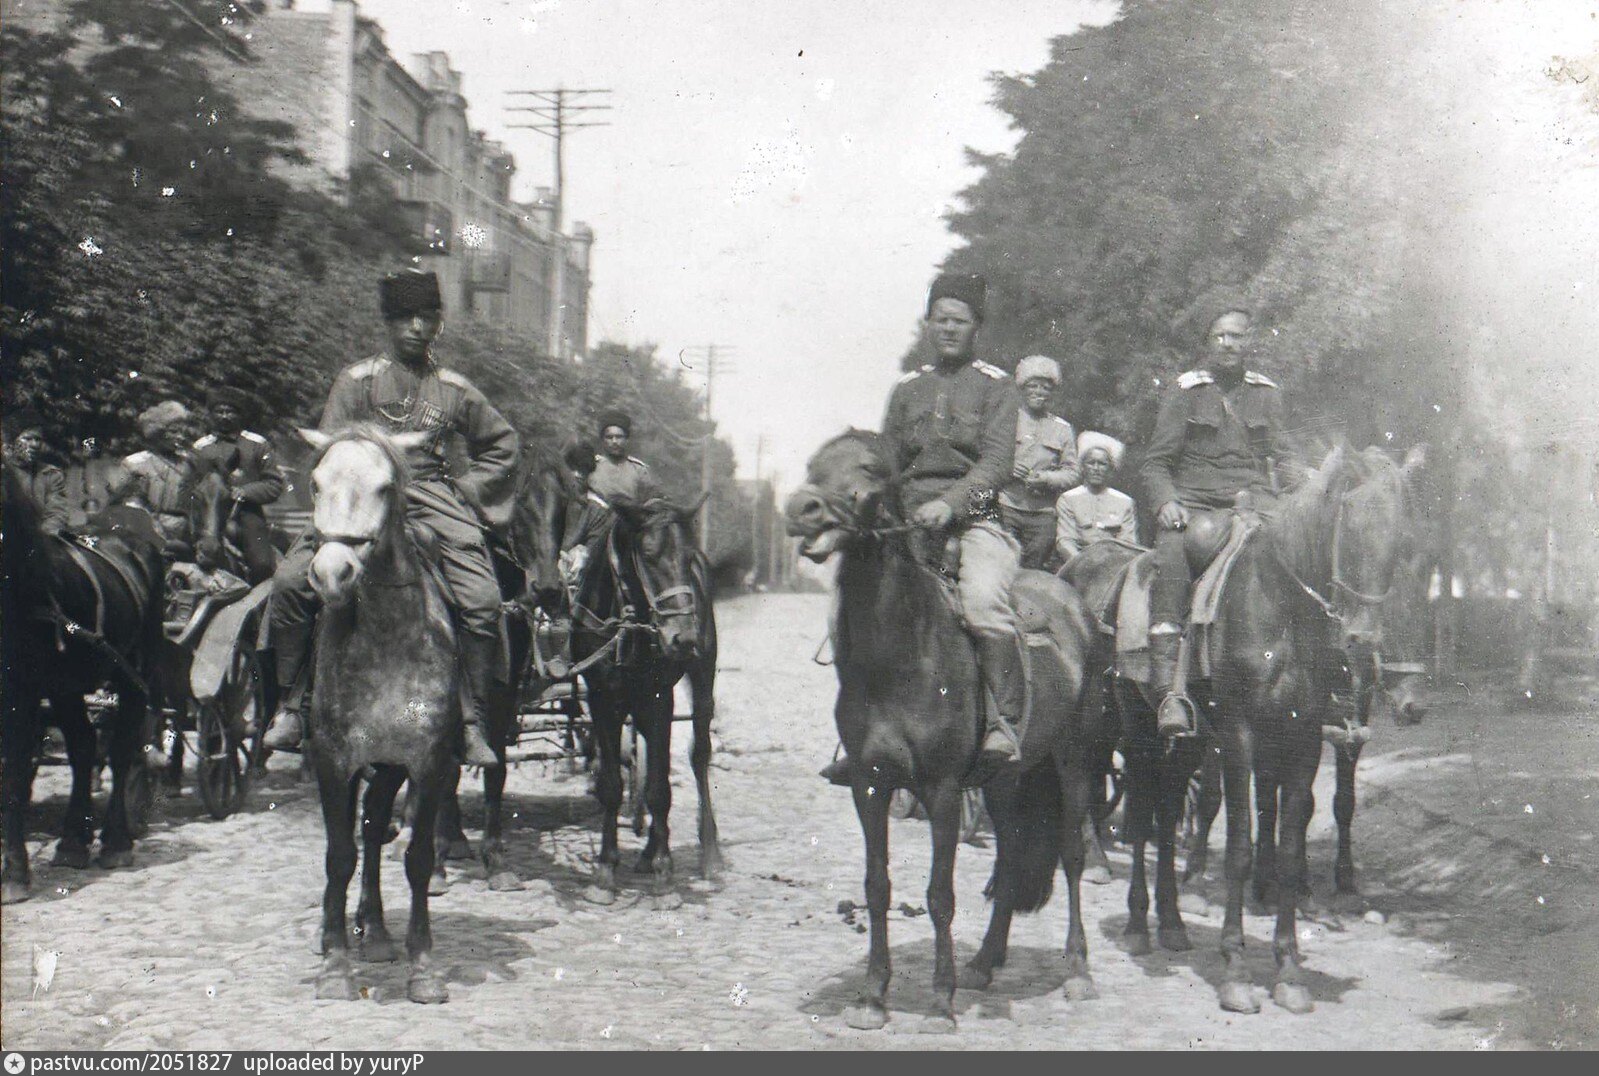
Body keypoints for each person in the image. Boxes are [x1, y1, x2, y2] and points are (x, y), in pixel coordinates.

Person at [261, 269, 520, 766]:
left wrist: (464, 491)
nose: (417, 328)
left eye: (427, 318)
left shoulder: (455, 389)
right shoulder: (356, 381)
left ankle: (471, 720)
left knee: (484, 602)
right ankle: (291, 706)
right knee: (291, 583)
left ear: (439, 325)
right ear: (388, 322)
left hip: (430, 498)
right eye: (405, 318)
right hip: (361, 503)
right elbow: (331, 450)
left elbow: (503, 446)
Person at [822, 271, 1025, 786]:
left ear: (976, 326)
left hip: (976, 522)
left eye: (960, 321)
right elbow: (888, 461)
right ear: (929, 324)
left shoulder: (998, 388)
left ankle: (1004, 720)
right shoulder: (907, 390)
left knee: (982, 605)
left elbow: (998, 465)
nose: (949, 329)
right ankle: (858, 733)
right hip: (907, 526)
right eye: (941, 320)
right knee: (850, 610)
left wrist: (952, 503)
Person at [1140, 301, 1299, 735]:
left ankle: (1330, 678)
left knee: (1309, 557)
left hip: (1256, 506)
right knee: (1171, 554)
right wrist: (1165, 502)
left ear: (1250, 342)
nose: (1229, 344)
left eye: (1237, 335)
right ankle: (1169, 688)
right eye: (1220, 336)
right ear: (1208, 342)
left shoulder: (1266, 393)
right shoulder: (1186, 391)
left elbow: (1283, 456)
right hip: (1196, 505)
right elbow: (1155, 462)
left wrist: (1303, 483)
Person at [191, 386, 284, 584]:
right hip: (207, 513)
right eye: (219, 411)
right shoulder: (200, 448)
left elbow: (274, 484)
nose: (224, 416)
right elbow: (190, 484)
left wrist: (243, 492)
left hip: (245, 514)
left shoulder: (258, 444)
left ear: (240, 415)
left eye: (230, 411)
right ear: (211, 415)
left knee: (262, 564)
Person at [998, 355, 1079, 570]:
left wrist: (1046, 478)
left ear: (1052, 393)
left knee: (1034, 571)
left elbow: (1072, 472)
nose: (1039, 392)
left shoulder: (1062, 428)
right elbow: (988, 456)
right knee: (1001, 567)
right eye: (1032, 386)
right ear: (1022, 389)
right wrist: (1008, 467)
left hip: (1043, 515)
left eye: (1045, 388)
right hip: (1006, 506)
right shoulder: (1005, 419)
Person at [104, 400, 197, 558]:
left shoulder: (190, 462)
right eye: (174, 432)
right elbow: (125, 502)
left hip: (186, 528)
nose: (180, 437)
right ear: (158, 433)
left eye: (183, 432)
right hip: (148, 528)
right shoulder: (136, 463)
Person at [1055, 431, 1138, 562]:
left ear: (1111, 468)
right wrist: (1084, 566)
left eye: (1102, 464)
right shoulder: (1068, 499)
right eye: (1091, 463)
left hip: (1112, 567)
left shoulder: (1124, 502)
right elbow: (1065, 542)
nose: (1096, 468)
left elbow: (1127, 544)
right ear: (1082, 467)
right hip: (1077, 566)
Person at [4, 407, 70, 537]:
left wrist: (46, 531)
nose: (34, 444)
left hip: (39, 541)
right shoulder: (4, 472)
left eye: (38, 439)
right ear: (11, 442)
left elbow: (57, 512)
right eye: (28, 438)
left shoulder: (50, 474)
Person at [588, 410, 658, 505]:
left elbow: (650, 502)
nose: (614, 442)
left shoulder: (639, 470)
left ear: (627, 439)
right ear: (602, 440)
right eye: (609, 437)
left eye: (619, 437)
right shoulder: (591, 467)